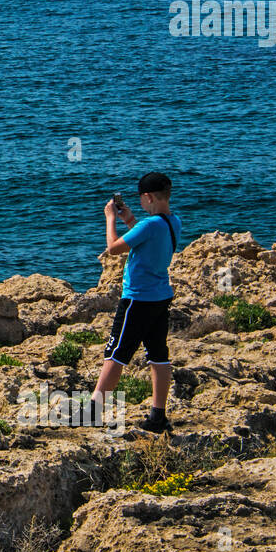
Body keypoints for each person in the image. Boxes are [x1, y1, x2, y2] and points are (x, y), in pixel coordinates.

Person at [84, 172, 182, 432]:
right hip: (160, 297)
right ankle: (158, 416)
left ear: (148, 197)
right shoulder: (172, 222)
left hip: (137, 299)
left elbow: (114, 248)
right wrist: (130, 220)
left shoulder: (149, 226)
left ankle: (93, 411)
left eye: (142, 200)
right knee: (158, 355)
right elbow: (146, 238)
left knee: (115, 355)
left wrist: (111, 219)